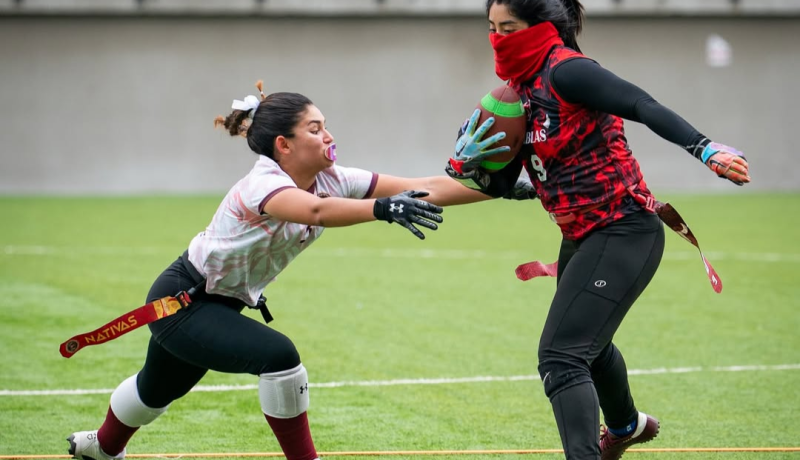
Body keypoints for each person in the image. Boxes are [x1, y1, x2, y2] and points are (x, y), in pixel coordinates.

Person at [66, 82, 518, 460]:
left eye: (326, 126)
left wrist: (496, 188)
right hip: (183, 300)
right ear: (284, 144)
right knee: (279, 359)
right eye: (314, 128)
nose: (327, 137)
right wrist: (380, 208)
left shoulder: (332, 176)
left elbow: (423, 188)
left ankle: (101, 450)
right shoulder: (263, 183)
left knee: (153, 393)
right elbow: (317, 212)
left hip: (216, 304)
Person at [444, 1, 751, 460]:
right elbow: (503, 184)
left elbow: (640, 104)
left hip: (625, 230)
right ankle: (627, 426)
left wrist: (705, 149)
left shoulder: (567, 71)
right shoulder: (516, 91)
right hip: (582, 237)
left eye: (509, 28)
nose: (498, 38)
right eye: (491, 28)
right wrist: (468, 165)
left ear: (542, 27)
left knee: (561, 355)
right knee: (587, 341)